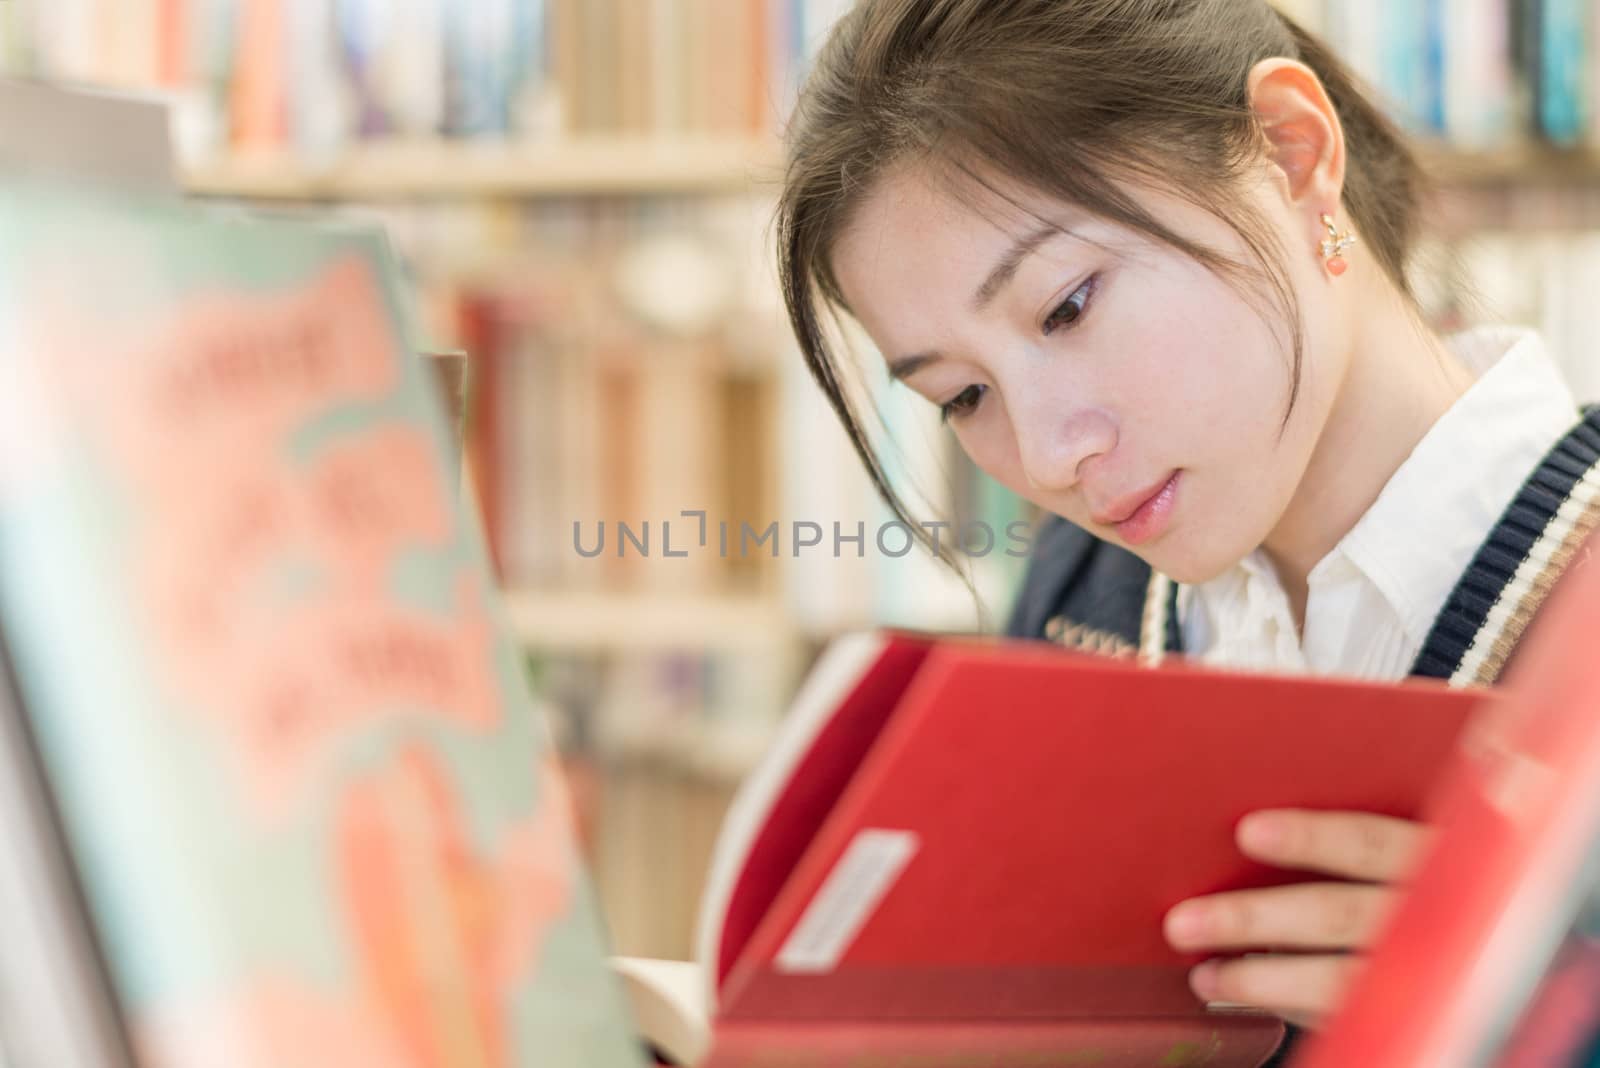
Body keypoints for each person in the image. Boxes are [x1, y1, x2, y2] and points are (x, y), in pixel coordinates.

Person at [772, 0, 1600, 1057]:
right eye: (963, 396)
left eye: (1067, 306)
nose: (1043, 457)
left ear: (1292, 155)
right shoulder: (1083, 594)